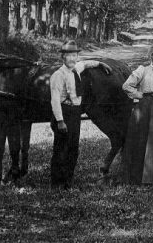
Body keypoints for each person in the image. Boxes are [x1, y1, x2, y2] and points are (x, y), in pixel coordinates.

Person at [48, 40, 111, 189]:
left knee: (73, 148)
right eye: (68, 55)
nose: (72, 58)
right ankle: (56, 182)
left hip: (75, 113)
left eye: (74, 55)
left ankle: (68, 181)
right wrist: (60, 121)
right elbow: (55, 100)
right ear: (63, 57)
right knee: (61, 148)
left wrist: (100, 64)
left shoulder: (76, 69)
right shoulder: (58, 75)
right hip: (64, 112)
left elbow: (86, 64)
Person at [121, 44, 153, 185]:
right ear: (149, 56)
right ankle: (137, 177)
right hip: (144, 106)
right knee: (141, 140)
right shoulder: (142, 70)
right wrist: (139, 95)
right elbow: (126, 86)